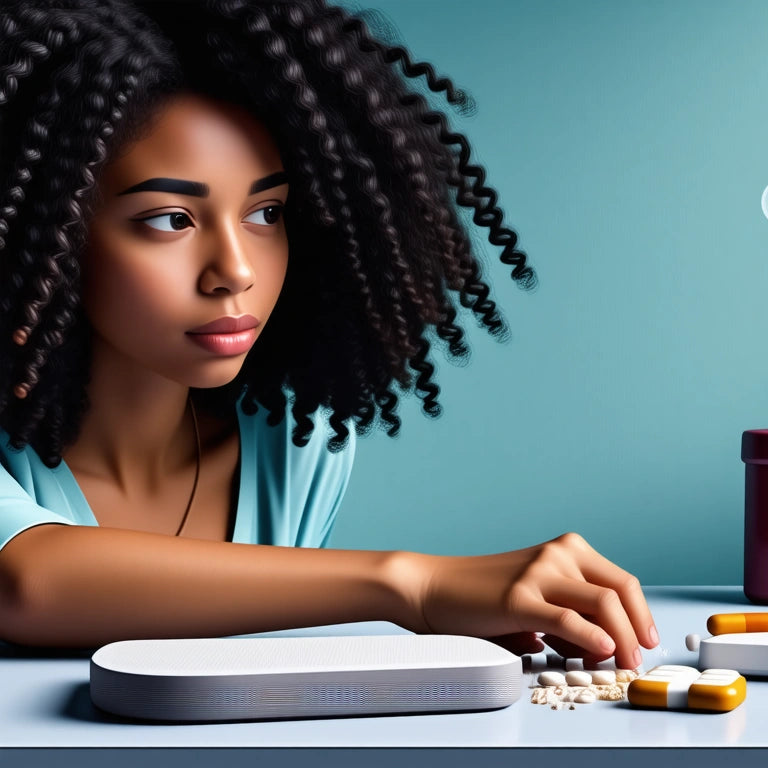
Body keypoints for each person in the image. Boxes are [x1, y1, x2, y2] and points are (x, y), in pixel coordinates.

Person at [0, 0, 658, 668]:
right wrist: (417, 586)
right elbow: (24, 583)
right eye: (170, 220)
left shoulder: (290, 450)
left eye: (265, 212)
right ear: (41, 237)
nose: (236, 270)